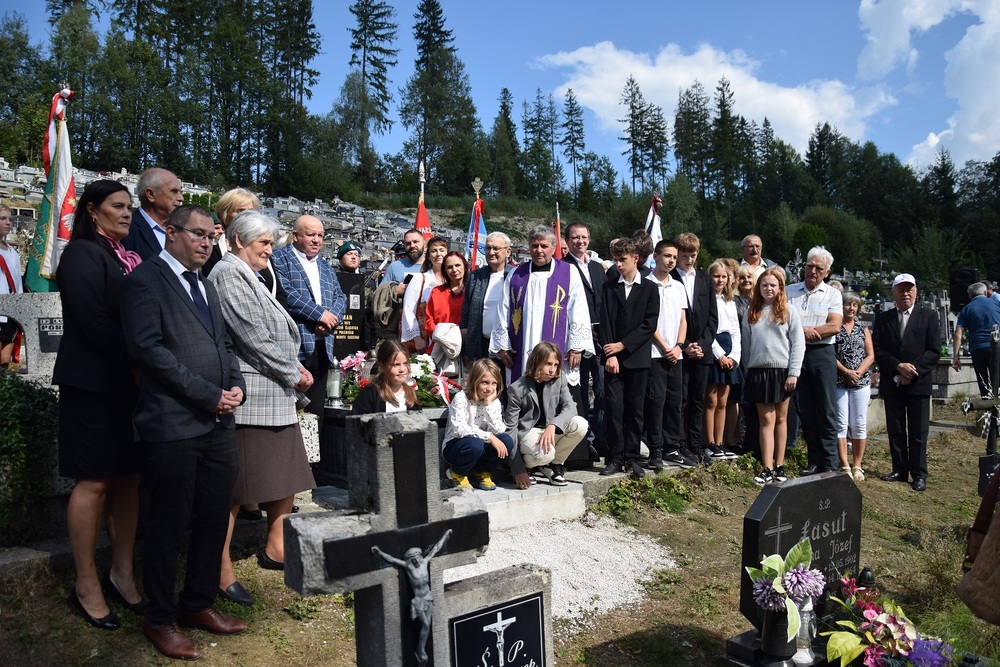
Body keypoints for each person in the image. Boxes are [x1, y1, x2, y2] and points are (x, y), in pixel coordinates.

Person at [120, 205, 247, 660]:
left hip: (218, 422)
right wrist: (206, 394)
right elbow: (148, 352)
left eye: (211, 238)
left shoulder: (207, 285)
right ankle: (160, 618)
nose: (206, 244)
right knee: (168, 524)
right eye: (197, 235)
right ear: (170, 233)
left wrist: (235, 385)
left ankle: (197, 604)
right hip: (172, 422)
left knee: (214, 516)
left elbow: (225, 345)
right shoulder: (144, 282)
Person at [207, 210, 315, 607]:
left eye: (271, 243)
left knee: (283, 476)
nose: (270, 250)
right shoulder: (228, 274)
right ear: (237, 240)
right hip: (253, 397)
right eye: (263, 243)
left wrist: (295, 368)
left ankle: (276, 548)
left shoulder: (247, 273)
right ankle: (218, 569)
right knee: (235, 492)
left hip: (273, 395)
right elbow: (252, 336)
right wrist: (294, 371)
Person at [52, 181, 145, 630]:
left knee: (128, 477)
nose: (128, 213)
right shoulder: (83, 256)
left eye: (130, 207)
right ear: (92, 211)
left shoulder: (126, 258)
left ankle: (122, 571)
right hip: (93, 384)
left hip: (129, 386)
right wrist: (137, 364)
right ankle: (86, 582)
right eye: (118, 206)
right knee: (94, 480)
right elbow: (92, 321)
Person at [490, 225, 594, 389]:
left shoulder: (569, 273)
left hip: (558, 348)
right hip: (522, 347)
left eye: (544, 246)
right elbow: (503, 311)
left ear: (553, 248)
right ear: (529, 247)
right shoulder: (516, 275)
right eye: (534, 246)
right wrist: (503, 346)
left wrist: (576, 347)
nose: (539, 250)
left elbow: (579, 310)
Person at [271, 215, 347, 425]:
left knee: (316, 410)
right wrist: (319, 314)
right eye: (310, 235)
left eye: (320, 235)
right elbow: (286, 292)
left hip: (323, 345)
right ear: (295, 236)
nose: (316, 240)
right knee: (291, 407)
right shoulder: (278, 259)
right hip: (296, 344)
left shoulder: (324, 265)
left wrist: (330, 319)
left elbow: (340, 297)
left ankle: (316, 456)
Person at [872, 273, 941, 492]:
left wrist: (911, 370)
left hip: (918, 384)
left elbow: (933, 351)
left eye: (909, 289)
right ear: (893, 293)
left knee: (918, 431)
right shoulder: (884, 319)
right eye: (901, 290)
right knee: (896, 428)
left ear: (916, 291)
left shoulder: (929, 316)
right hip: (893, 383)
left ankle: (919, 473)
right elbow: (878, 349)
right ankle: (899, 469)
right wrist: (897, 367)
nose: (905, 293)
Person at [598, 237, 659, 478]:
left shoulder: (650, 288)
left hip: (637, 358)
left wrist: (623, 345)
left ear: (636, 258)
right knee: (614, 408)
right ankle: (615, 457)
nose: (618, 265)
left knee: (635, 409)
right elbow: (605, 322)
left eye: (623, 260)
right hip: (613, 359)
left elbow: (649, 324)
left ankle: (632, 457)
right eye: (615, 260)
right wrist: (610, 352)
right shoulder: (609, 287)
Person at [742, 268, 805, 485]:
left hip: (782, 372)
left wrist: (793, 373)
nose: (769, 288)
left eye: (773, 285)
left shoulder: (789, 311)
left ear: (780, 288)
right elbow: (746, 344)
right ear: (759, 288)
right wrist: (748, 369)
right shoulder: (752, 311)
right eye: (765, 285)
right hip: (759, 371)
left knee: (781, 419)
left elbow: (798, 344)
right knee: (766, 420)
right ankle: (766, 467)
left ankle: (780, 464)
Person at [786, 246, 843, 474]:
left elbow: (834, 325)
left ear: (826, 272)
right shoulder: (790, 291)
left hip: (822, 354)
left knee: (826, 409)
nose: (813, 271)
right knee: (805, 409)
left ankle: (830, 463)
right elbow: (782, 319)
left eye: (819, 268)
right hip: (797, 354)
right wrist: (802, 331)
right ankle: (814, 459)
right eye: (810, 266)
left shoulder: (832, 294)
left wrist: (807, 331)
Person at [505, 342, 589, 489]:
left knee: (580, 424)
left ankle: (554, 465)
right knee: (544, 454)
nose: (552, 370)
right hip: (529, 434)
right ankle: (529, 465)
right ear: (536, 361)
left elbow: (571, 407)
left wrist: (553, 425)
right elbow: (511, 430)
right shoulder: (516, 389)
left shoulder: (559, 379)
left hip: (550, 430)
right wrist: (518, 470)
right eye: (548, 364)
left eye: (556, 364)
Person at [644, 239, 693, 470]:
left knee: (675, 402)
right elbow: (648, 323)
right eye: (667, 256)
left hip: (676, 354)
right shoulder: (646, 284)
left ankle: (672, 447)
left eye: (674, 257)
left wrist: (679, 346)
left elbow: (683, 320)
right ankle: (655, 448)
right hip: (655, 354)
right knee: (656, 402)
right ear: (656, 255)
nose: (671, 261)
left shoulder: (678, 286)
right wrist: (665, 347)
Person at [371, 529, 452, 665]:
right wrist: (379, 552)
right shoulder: (409, 568)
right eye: (412, 558)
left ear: (420, 556)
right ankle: (420, 650)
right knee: (425, 625)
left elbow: (436, 549)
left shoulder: (425, 562)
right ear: (410, 560)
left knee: (428, 625)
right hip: (418, 601)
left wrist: (445, 535)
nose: (415, 560)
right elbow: (392, 560)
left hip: (428, 597)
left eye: (417, 557)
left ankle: (421, 649)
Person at [672, 233, 718, 466]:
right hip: (680, 350)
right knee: (681, 398)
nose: (689, 260)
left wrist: (703, 344)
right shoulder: (670, 278)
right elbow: (672, 319)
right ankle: (680, 444)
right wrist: (686, 345)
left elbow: (712, 318)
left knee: (698, 399)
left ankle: (696, 444)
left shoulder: (704, 280)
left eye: (693, 255)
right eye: (684, 256)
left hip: (702, 350)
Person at [562, 221, 607, 452]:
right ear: (567, 241)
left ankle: (600, 438)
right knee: (579, 390)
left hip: (601, 339)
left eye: (584, 237)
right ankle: (583, 441)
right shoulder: (562, 267)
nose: (580, 241)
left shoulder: (599, 268)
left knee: (602, 390)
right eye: (575, 238)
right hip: (578, 338)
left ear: (589, 239)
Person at [442, 359, 513, 490]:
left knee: (507, 441)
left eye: (494, 383)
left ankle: (482, 471)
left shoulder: (493, 402)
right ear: (475, 381)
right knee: (476, 444)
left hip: (479, 446)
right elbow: (459, 429)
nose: (489, 388)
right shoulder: (461, 398)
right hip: (456, 445)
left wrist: (488, 405)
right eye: (485, 382)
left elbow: (500, 429)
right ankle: (457, 472)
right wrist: (490, 437)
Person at [704, 259, 742, 461]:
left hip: (729, 350)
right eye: (716, 276)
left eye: (723, 277)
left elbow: (735, 331)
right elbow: (707, 331)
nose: (720, 280)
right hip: (714, 349)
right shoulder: (705, 300)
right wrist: (719, 355)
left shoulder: (730, 301)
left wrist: (734, 355)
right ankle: (709, 442)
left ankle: (720, 442)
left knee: (723, 401)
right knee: (711, 399)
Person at [835, 292, 874, 481]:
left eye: (854, 305)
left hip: (861, 381)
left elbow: (870, 354)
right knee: (841, 423)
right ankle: (844, 464)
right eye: (847, 304)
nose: (851, 308)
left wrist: (857, 372)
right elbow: (830, 354)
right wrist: (845, 372)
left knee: (859, 424)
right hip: (839, 381)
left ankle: (857, 464)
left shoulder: (862, 329)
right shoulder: (835, 327)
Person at [461, 232, 514, 361]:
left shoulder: (516, 276)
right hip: (480, 344)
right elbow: (466, 308)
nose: (491, 252)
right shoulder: (475, 276)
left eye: (496, 248)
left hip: (507, 347)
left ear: (508, 252)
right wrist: (464, 332)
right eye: (488, 248)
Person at [122, 168, 184, 260]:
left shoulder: (181, 229)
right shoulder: (127, 230)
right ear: (151, 194)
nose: (181, 198)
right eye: (174, 191)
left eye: (180, 192)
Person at [952, 282, 1000, 397]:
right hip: (997, 345)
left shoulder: (966, 309)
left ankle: (987, 408)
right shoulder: (996, 303)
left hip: (978, 348)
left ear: (970, 296)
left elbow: (958, 334)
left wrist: (956, 357)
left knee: (983, 380)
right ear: (985, 292)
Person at [401, 236, 448, 352]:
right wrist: (416, 338)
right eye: (434, 251)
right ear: (428, 256)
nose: (438, 254)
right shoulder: (420, 279)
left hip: (448, 340)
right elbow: (409, 309)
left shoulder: (453, 281)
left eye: (442, 250)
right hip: (425, 340)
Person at [424, 250, 467, 375]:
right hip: (440, 348)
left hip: (465, 350)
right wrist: (445, 339)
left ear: (464, 265)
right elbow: (429, 321)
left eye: (457, 265)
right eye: (449, 267)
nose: (454, 270)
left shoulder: (471, 291)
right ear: (445, 270)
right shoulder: (437, 292)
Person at [202, 188, 260, 277]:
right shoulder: (213, 250)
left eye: (251, 212)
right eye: (240, 211)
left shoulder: (263, 248)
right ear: (225, 214)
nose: (247, 216)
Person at [352, 339, 421, 414]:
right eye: (396, 365)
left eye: (405, 363)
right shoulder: (370, 394)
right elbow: (359, 422)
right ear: (382, 366)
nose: (402, 369)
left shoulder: (411, 395)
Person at [0, 205, 23, 369]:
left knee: (4, 360)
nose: (8, 223)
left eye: (10, 219)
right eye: (3, 219)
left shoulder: (13, 252)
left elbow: (17, 281)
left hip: (10, 311)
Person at [381, 228, 426, 294]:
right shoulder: (394, 267)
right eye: (408, 243)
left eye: (416, 242)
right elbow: (380, 294)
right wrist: (395, 291)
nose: (412, 246)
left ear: (424, 243)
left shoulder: (434, 266)